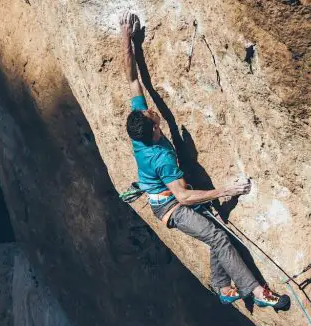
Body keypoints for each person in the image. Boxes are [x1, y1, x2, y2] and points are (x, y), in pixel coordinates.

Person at [119, 11, 288, 310]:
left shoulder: (139, 132)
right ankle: (258, 292)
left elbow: (132, 78)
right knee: (219, 238)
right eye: (150, 117)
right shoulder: (160, 157)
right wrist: (224, 191)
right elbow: (182, 196)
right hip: (170, 207)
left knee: (215, 235)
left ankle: (223, 287)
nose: (150, 111)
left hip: (171, 194)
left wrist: (126, 38)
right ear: (155, 131)